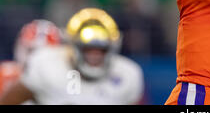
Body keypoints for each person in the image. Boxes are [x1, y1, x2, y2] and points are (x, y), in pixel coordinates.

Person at [0, 8, 144, 105]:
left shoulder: (128, 74)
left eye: (101, 50)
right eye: (88, 49)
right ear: (73, 46)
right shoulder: (47, 65)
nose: (94, 55)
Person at [0, 19, 62, 100]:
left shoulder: (64, 80)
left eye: (42, 53)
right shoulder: (5, 75)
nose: (35, 59)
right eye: (31, 51)